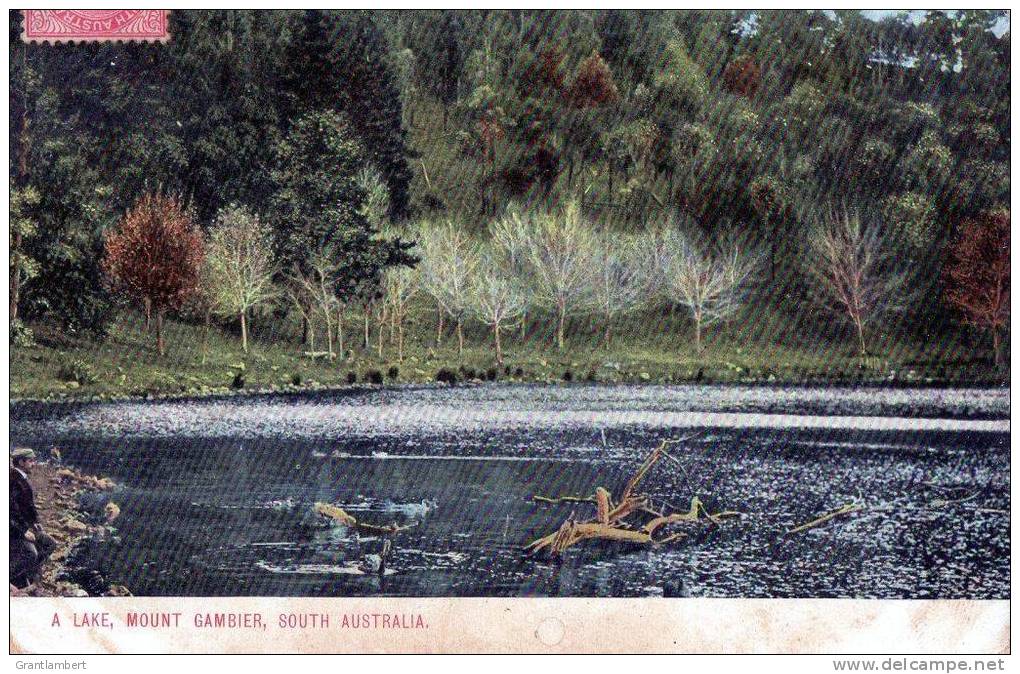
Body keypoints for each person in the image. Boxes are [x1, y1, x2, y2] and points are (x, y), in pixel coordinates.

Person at [10, 448, 56, 589]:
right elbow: (9, 512)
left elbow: (29, 506)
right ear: (21, 462)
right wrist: (23, 531)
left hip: (23, 526)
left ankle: (27, 576)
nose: (34, 464)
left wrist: (35, 522)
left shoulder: (21, 477)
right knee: (31, 553)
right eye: (30, 461)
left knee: (49, 544)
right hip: (13, 529)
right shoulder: (11, 480)